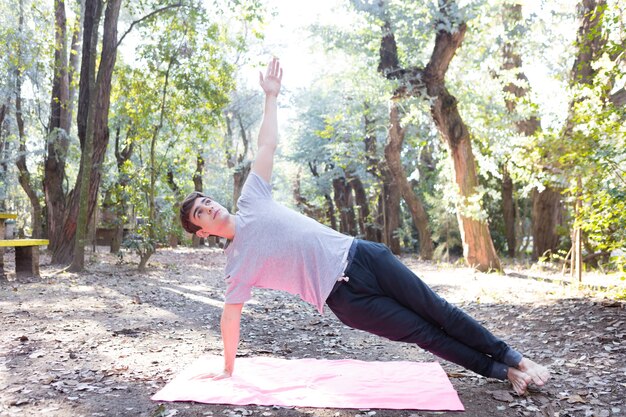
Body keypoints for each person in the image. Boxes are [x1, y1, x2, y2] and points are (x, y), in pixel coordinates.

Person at [179, 57, 550, 396]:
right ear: (201, 232)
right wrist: (228, 369)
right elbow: (230, 317)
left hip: (362, 256)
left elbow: (267, 144)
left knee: (439, 311)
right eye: (200, 213)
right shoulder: (237, 264)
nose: (208, 207)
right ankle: (503, 373)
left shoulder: (251, 198)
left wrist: (271, 97)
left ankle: (516, 359)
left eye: (206, 201)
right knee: (423, 334)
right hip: (345, 300)